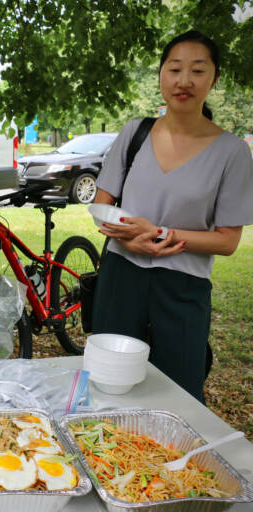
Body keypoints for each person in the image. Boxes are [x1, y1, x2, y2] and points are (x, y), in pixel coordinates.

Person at [92, 30, 253, 402]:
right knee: (108, 384)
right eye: (174, 69)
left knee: (179, 392)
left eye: (197, 70)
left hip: (183, 287)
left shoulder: (232, 153)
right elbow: (102, 209)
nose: (184, 81)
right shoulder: (135, 133)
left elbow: (228, 241)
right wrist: (130, 238)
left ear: (213, 79)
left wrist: (160, 233)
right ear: (161, 76)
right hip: (121, 277)